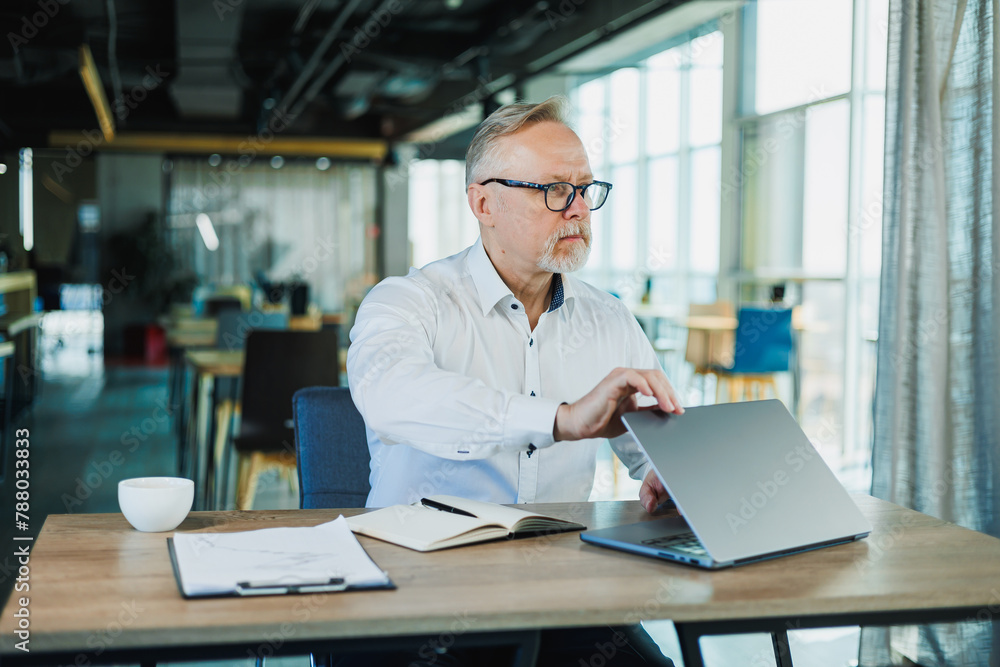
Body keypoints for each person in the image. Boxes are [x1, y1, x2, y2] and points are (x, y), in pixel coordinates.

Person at [346, 96, 680, 666]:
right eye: (554, 190)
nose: (577, 210)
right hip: (419, 593)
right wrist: (559, 419)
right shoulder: (410, 301)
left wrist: (671, 476)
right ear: (484, 203)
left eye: (586, 189)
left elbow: (653, 449)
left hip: (563, 594)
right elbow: (389, 393)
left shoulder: (611, 320)